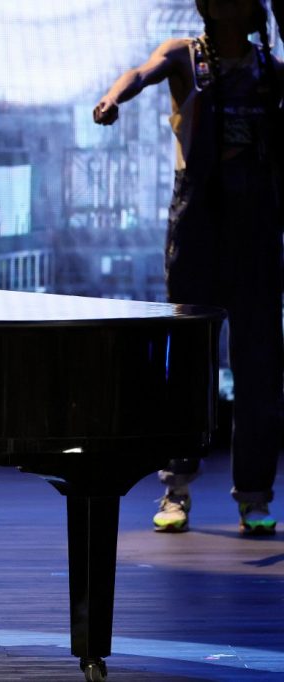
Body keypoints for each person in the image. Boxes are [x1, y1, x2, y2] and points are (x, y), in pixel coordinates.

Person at [94, 0, 282, 535]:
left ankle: (254, 494)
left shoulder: (269, 70)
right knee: (186, 361)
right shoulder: (185, 56)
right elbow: (141, 72)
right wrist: (113, 97)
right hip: (198, 223)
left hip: (257, 227)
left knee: (260, 367)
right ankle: (176, 489)